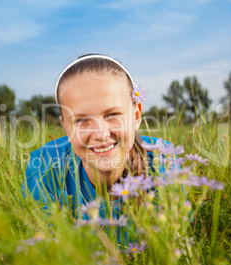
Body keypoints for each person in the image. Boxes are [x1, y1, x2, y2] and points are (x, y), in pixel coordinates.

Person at [22, 54, 169, 219]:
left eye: (113, 114)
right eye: (82, 120)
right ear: (65, 126)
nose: (101, 134)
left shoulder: (164, 164)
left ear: (136, 116)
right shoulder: (43, 170)